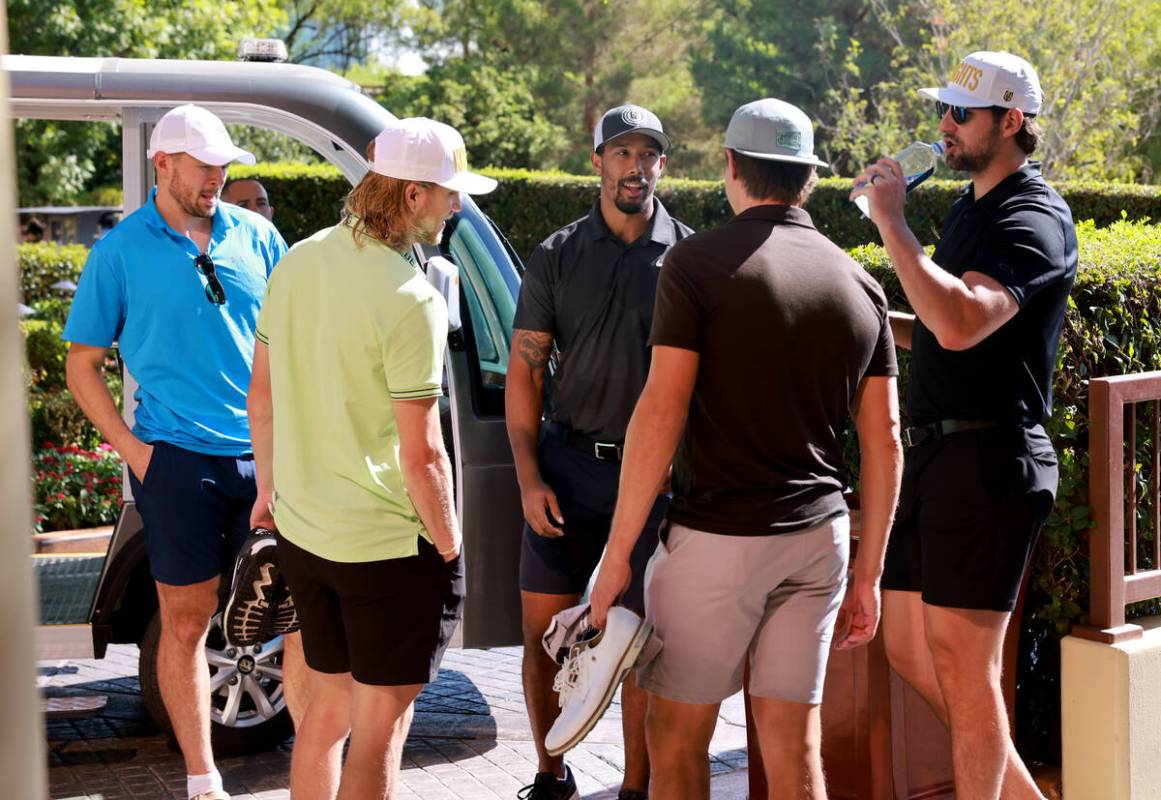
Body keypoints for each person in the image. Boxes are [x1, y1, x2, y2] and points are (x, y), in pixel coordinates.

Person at [589, 97, 903, 800]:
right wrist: (868, 575)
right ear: (809, 179)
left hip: (717, 542)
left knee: (675, 744)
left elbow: (661, 410)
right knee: (793, 753)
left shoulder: (695, 264)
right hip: (820, 542)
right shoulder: (859, 284)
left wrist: (615, 559)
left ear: (730, 166)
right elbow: (883, 439)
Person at [247, 117, 495, 799]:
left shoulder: (297, 259)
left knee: (325, 714)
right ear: (412, 194)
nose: (456, 205)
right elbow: (424, 458)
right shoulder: (410, 297)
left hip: (306, 530)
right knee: (381, 726)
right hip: (386, 544)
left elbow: (259, 396)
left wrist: (269, 492)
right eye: (448, 193)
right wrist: (449, 548)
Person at [852, 51, 1077, 800]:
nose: (942, 126)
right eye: (942, 110)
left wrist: (890, 223)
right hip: (938, 457)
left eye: (960, 113)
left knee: (962, 665)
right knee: (911, 650)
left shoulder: (1032, 216)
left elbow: (960, 319)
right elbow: (940, 322)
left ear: (1010, 122)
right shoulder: (971, 209)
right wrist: (866, 319)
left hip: (988, 458)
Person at [62, 104, 302, 800]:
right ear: (162, 164)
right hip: (175, 465)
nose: (217, 178)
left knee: (297, 615)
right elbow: (83, 364)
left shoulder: (259, 237)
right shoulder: (118, 252)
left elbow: (296, 345)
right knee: (187, 620)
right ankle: (202, 779)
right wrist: (139, 455)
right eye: (204, 165)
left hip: (268, 458)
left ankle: (311, 766)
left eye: (224, 166)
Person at [506, 104, 692, 800]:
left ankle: (635, 790)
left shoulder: (688, 257)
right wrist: (527, 478)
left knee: (637, 645)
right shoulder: (556, 255)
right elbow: (525, 372)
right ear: (597, 162)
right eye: (621, 153)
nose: (634, 167)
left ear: (661, 166)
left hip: (655, 482)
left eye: (648, 154)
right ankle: (550, 777)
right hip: (564, 468)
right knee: (540, 637)